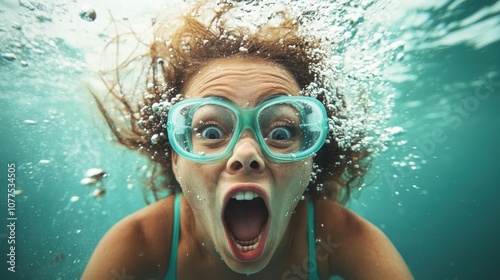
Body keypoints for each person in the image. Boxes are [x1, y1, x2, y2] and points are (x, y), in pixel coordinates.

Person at [82, 0, 413, 279]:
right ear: (176, 159)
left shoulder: (339, 237)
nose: (246, 154)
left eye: (281, 133)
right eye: (211, 132)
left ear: (311, 161)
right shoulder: (137, 244)